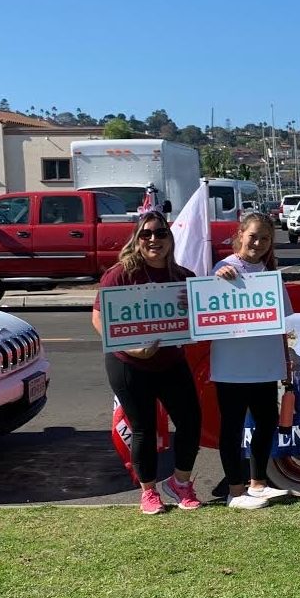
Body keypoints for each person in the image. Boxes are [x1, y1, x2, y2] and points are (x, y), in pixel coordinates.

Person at [91, 211, 202, 515]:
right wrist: (132, 347)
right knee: (143, 428)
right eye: (147, 234)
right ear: (137, 239)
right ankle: (149, 492)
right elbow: (99, 317)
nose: (154, 239)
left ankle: (180, 484)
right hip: (128, 363)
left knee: (191, 422)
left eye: (161, 233)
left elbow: (200, 318)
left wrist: (190, 307)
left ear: (170, 238)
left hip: (170, 360)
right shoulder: (119, 274)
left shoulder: (183, 277)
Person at [211, 211, 292, 510]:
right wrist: (216, 279)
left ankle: (257, 483)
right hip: (232, 366)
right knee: (232, 427)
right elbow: (207, 306)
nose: (258, 242)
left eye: (265, 238)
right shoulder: (224, 267)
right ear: (241, 234)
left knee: (267, 421)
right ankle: (235, 490)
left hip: (264, 363)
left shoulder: (269, 271)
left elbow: (283, 319)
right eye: (253, 236)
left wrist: (286, 359)